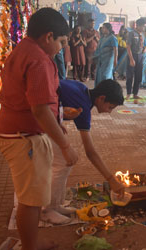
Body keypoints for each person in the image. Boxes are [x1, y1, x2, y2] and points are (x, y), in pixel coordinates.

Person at [0, 8, 78, 250]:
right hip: (23, 137)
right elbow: (40, 109)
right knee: (30, 200)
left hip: (18, 131)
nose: (62, 48)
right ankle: (30, 247)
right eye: (62, 42)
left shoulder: (25, 48)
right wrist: (65, 146)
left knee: (30, 197)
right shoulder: (39, 59)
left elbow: (41, 105)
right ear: (48, 36)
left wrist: (57, 123)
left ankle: (31, 242)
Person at [41, 79, 125, 224]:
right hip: (34, 118)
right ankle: (47, 210)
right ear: (101, 98)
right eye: (110, 107)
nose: (109, 112)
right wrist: (111, 180)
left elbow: (58, 95)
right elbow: (90, 152)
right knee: (64, 161)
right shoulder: (84, 108)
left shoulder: (82, 88)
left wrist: (58, 120)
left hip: (44, 115)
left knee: (64, 160)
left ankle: (54, 205)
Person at [126, 18, 146, 99]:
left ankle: (135, 94)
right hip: (132, 55)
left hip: (140, 56)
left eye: (144, 26)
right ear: (138, 25)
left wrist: (144, 48)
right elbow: (128, 46)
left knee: (139, 76)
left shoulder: (143, 35)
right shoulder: (131, 33)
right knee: (130, 76)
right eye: (142, 26)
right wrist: (131, 59)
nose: (143, 28)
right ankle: (128, 94)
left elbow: (143, 45)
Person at [94, 23, 118, 87]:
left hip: (108, 59)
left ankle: (107, 90)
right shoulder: (102, 38)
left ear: (107, 29)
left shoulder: (113, 38)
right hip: (101, 59)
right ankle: (100, 89)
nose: (102, 29)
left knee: (106, 75)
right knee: (99, 75)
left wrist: (115, 60)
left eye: (104, 28)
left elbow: (115, 49)